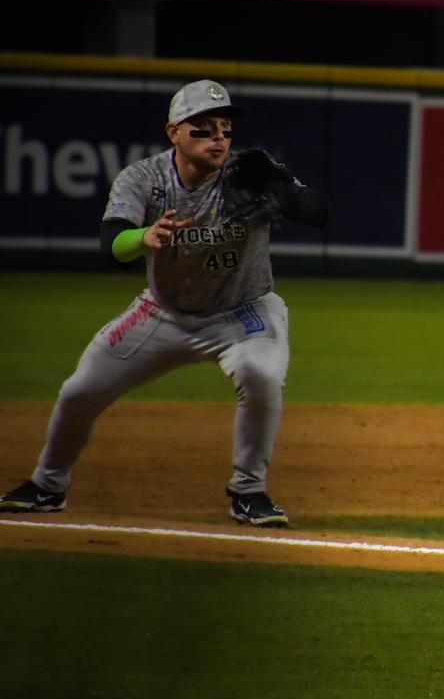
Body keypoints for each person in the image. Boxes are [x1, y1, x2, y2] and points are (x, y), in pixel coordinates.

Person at [0, 80, 328, 527]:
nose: (218, 137)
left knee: (261, 375)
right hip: (163, 312)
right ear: (173, 132)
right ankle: (47, 486)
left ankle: (248, 490)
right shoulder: (144, 178)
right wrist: (144, 237)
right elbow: (112, 244)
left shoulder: (249, 173)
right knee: (79, 390)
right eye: (203, 128)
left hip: (243, 310)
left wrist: (287, 192)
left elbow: (319, 211)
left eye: (225, 128)